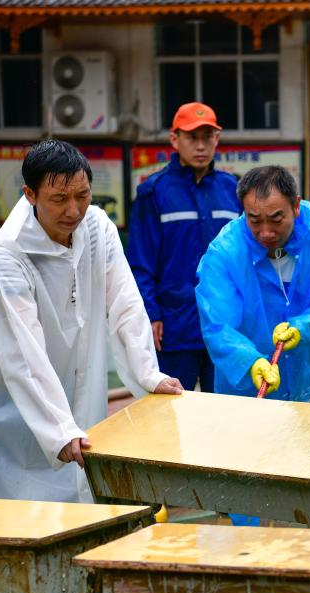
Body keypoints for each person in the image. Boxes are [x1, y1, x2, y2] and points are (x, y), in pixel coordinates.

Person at [0, 140, 183, 593]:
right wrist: (58, 429)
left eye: (82, 195)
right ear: (30, 195)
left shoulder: (97, 229)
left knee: (73, 506)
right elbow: (20, 354)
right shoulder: (1, 259)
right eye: (59, 200)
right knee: (1, 511)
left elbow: (125, 301)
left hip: (67, 379)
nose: (73, 211)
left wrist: (148, 376)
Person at [196, 165, 310, 402]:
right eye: (255, 220)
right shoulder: (225, 252)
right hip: (246, 391)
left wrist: (303, 327)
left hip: (308, 380)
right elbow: (217, 325)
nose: (266, 232)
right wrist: (251, 362)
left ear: (296, 205)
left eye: (276, 219)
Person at [126, 102, 241, 392]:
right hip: (174, 328)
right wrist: (151, 314)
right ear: (175, 139)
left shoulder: (234, 191)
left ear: (217, 138)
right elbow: (140, 263)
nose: (201, 145)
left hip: (226, 325)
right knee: (174, 416)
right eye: (192, 137)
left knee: (227, 414)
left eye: (207, 137)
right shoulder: (153, 193)